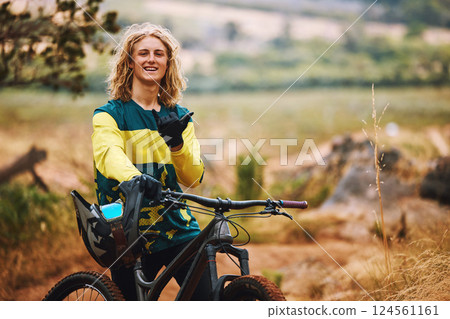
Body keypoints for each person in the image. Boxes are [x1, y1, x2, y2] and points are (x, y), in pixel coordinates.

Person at [91, 23, 208, 300]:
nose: (151, 59)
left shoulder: (179, 117)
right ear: (130, 63)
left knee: (208, 299)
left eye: (159, 53)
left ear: (168, 63)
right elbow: (108, 154)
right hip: (127, 231)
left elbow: (193, 178)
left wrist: (176, 144)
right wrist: (135, 178)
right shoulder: (109, 114)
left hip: (176, 226)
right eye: (143, 53)